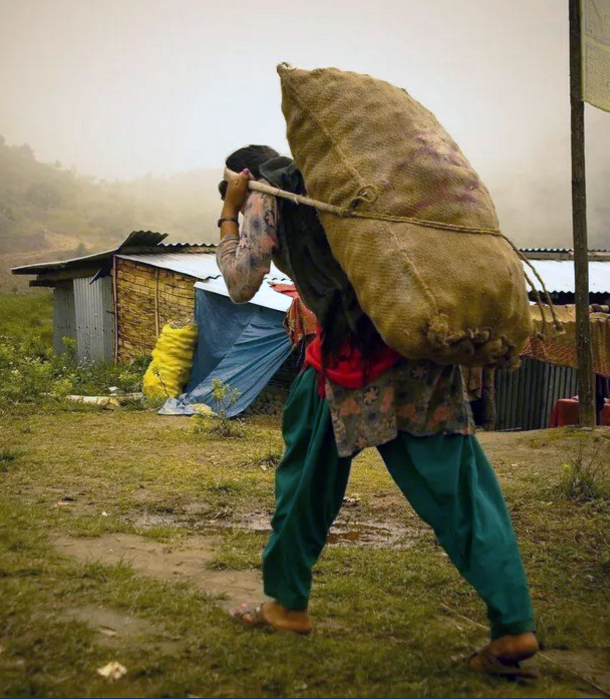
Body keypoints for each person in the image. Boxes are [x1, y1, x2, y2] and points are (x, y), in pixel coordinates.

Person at [216, 145, 540, 679]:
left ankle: (287, 605)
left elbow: (240, 281)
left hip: (348, 362)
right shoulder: (340, 187)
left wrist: (230, 210)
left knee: (303, 487)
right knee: (461, 491)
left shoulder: (264, 199)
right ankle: (513, 624)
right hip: (417, 351)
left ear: (243, 176)